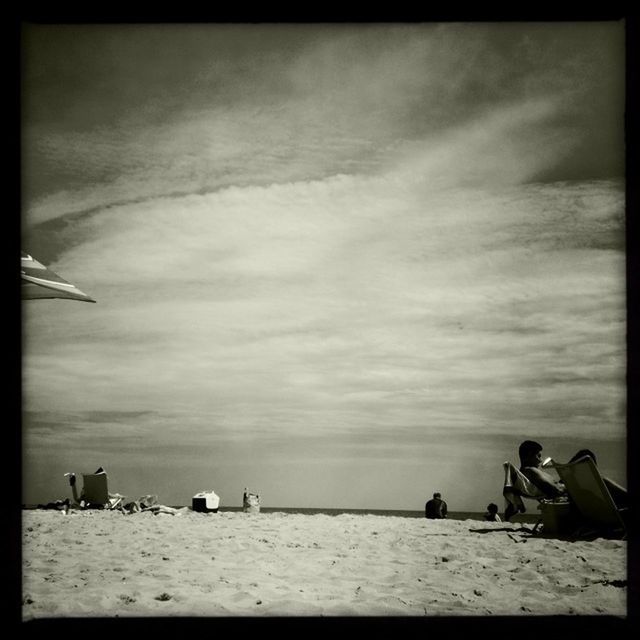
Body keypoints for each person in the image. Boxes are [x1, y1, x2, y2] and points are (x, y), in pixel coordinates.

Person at [517, 440, 628, 507]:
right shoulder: (531, 471)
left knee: (585, 454)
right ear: (528, 456)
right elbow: (556, 490)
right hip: (569, 492)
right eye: (538, 456)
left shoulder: (526, 472)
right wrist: (573, 483)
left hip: (566, 487)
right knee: (602, 481)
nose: (540, 460)